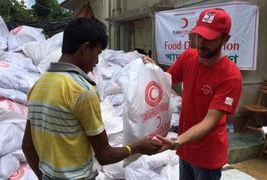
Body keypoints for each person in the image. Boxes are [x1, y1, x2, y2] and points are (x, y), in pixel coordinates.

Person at [22, 17, 162, 180]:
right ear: (85, 48)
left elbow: (27, 146)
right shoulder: (81, 90)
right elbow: (105, 156)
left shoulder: (38, 85)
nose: (96, 62)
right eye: (97, 53)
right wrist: (138, 146)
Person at [145, 8, 242, 180]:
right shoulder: (189, 56)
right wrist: (152, 69)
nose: (201, 42)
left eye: (209, 38)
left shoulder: (230, 75)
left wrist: (177, 141)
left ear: (225, 39)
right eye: (198, 35)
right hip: (185, 148)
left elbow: (209, 121)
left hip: (207, 154)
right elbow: (165, 80)